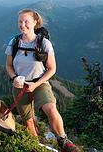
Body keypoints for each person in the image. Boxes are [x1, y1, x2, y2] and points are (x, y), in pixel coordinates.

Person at [5, 9, 79, 152]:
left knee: (51, 109)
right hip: (20, 85)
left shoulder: (44, 43)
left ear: (35, 22)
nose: (22, 24)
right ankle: (35, 145)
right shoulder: (14, 42)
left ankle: (63, 140)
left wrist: (35, 84)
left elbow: (52, 69)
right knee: (28, 121)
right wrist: (14, 78)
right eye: (20, 21)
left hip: (39, 83)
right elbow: (8, 65)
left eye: (26, 21)